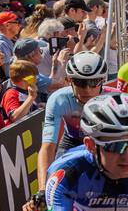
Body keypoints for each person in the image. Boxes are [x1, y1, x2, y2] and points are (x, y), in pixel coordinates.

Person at [38, 52, 107, 190]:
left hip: (104, 143)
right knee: (56, 183)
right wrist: (43, 189)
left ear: (102, 80)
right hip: (72, 141)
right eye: (80, 82)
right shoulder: (59, 100)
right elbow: (48, 146)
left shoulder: (113, 99)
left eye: (93, 82)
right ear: (69, 80)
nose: (87, 89)